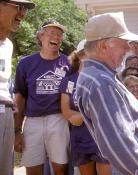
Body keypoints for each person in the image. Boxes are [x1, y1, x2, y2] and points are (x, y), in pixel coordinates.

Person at [75, 12, 138, 175]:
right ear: (104, 45)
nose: (128, 48)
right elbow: (116, 140)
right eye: (123, 42)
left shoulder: (96, 76)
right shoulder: (100, 82)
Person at [14, 20, 70, 175]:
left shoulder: (69, 63)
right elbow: (20, 97)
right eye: (52, 33)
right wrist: (17, 131)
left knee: (61, 168)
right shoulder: (25, 63)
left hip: (59, 119)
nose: (56, 37)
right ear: (41, 36)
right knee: (33, 169)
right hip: (32, 122)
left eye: (59, 34)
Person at [60, 40, 112, 175]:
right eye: (85, 53)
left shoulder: (102, 78)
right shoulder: (70, 80)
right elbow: (65, 110)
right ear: (79, 55)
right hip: (80, 137)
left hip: (101, 137)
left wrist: (82, 116)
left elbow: (108, 108)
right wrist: (82, 116)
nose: (88, 57)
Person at [0, 0, 35, 174]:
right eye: (19, 7)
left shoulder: (8, 45)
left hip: (5, 113)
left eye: (25, 10)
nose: (23, 14)